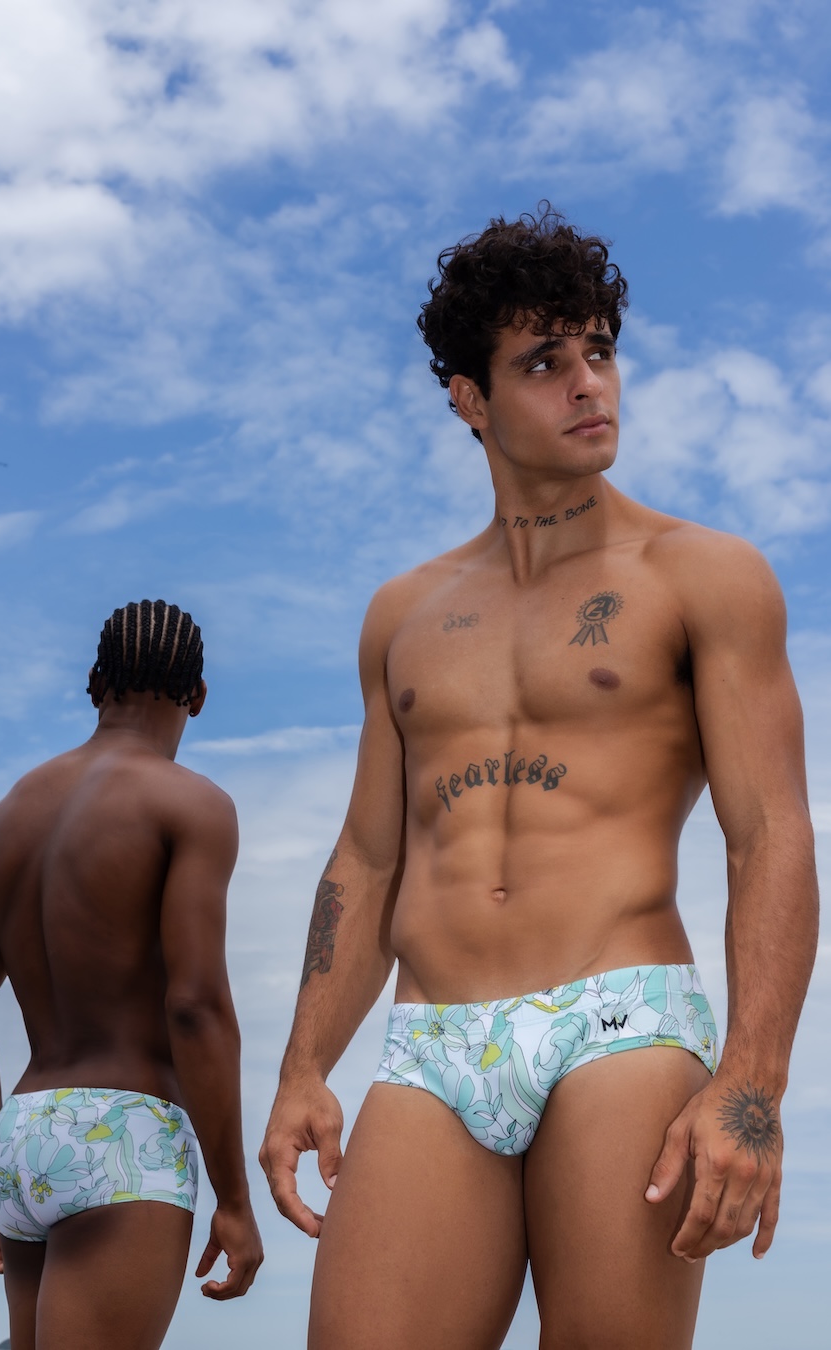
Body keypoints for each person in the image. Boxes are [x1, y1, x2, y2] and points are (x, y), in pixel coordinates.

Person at [259, 209, 819, 1350]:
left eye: (599, 351)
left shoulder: (702, 576)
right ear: (471, 398)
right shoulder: (404, 614)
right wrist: (303, 1066)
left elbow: (770, 832)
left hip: (618, 1019)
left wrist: (753, 1083)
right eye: (544, 362)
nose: (586, 384)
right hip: (433, 1040)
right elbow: (368, 855)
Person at [0, 599, 262, 1350]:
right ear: (198, 696)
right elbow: (195, 1006)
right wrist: (234, 1198)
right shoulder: (192, 805)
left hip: (19, 1131)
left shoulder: (7, 814)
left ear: (94, 684)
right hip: (124, 1135)